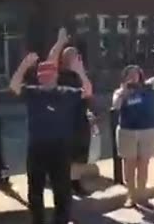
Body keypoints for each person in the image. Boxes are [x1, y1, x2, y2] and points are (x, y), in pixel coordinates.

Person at [10, 52, 88, 224]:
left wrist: (79, 71)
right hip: (37, 149)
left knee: (62, 192)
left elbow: (87, 92)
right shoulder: (32, 92)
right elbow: (14, 85)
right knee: (35, 192)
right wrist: (24, 65)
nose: (46, 79)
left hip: (60, 149)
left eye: (49, 76)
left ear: (56, 76)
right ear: (38, 77)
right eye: (42, 76)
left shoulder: (67, 92)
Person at [112, 49, 154, 208]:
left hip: (148, 130)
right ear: (124, 77)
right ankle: (131, 196)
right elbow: (115, 106)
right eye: (129, 74)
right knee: (129, 165)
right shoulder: (120, 91)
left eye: (135, 73)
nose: (133, 76)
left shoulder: (148, 86)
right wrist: (123, 92)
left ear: (140, 75)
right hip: (127, 131)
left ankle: (142, 195)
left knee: (143, 164)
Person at [47, 28, 94, 197]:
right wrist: (60, 42)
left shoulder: (80, 75)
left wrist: (80, 70)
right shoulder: (57, 75)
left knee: (80, 155)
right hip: (62, 121)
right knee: (63, 155)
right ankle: (62, 184)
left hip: (80, 120)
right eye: (71, 56)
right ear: (64, 59)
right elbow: (50, 60)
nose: (74, 59)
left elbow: (88, 92)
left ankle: (75, 183)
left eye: (76, 56)